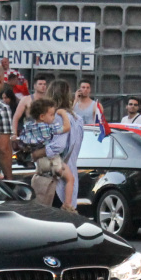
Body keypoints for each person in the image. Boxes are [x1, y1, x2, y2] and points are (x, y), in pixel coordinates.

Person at [20, 98, 75, 210]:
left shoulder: (29, 126)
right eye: (51, 115)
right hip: (50, 159)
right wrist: (63, 114)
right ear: (42, 117)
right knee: (70, 178)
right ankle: (68, 205)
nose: (54, 118)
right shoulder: (47, 128)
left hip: (40, 162)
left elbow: (22, 140)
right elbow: (67, 128)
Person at [44, 79, 83, 209]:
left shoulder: (57, 117)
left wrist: (41, 151)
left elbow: (58, 146)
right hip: (71, 176)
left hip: (56, 182)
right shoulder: (78, 119)